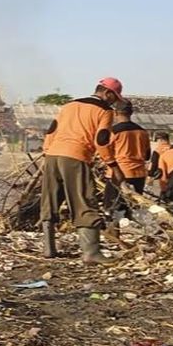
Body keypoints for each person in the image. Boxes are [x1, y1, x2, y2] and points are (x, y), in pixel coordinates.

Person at [40, 77, 125, 264]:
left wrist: (48, 152)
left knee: (50, 200)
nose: (114, 101)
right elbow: (101, 140)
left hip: (52, 156)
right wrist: (111, 164)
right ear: (107, 93)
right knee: (84, 201)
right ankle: (91, 253)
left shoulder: (69, 105)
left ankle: (49, 249)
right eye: (114, 97)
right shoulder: (104, 110)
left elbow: (51, 131)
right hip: (76, 157)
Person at [103, 100, 151, 235]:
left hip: (118, 174)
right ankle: (143, 233)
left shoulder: (113, 132)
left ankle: (114, 233)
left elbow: (106, 153)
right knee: (135, 206)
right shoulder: (143, 132)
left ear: (116, 113)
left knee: (113, 206)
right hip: (139, 174)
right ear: (131, 113)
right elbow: (147, 155)